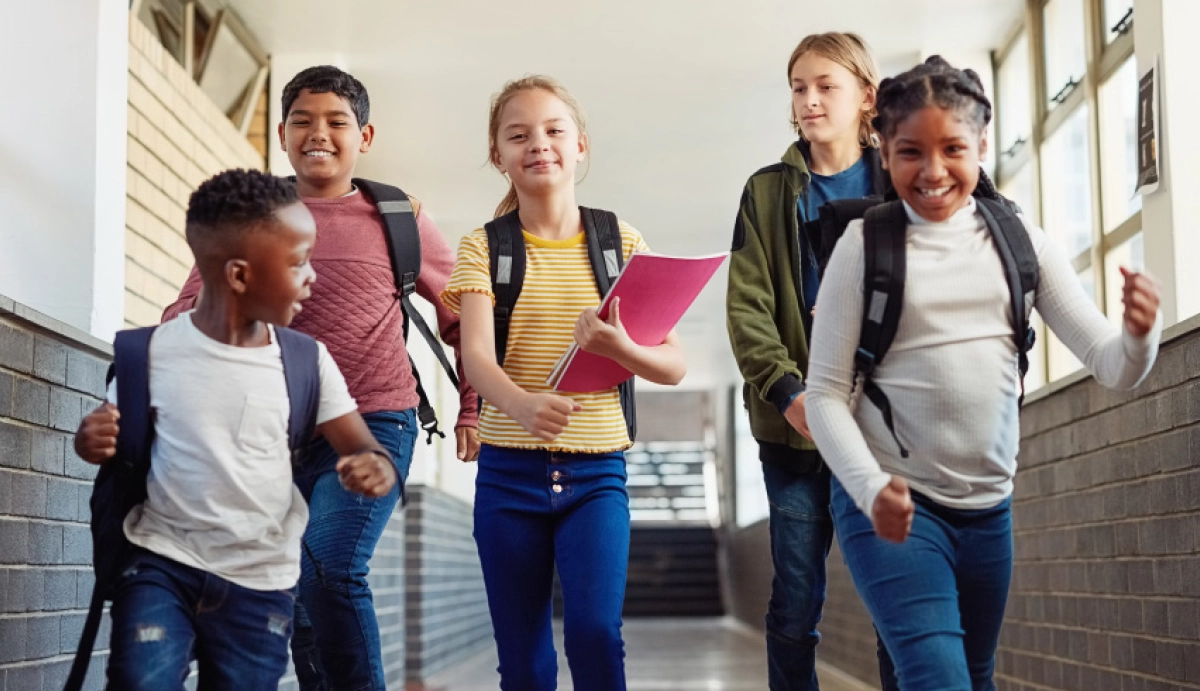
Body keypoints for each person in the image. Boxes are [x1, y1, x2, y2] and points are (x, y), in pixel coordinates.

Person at [805, 56, 1162, 690]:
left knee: (972, 676)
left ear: (982, 146)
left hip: (987, 511)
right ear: (884, 151)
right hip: (894, 503)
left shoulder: (1019, 242)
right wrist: (867, 488)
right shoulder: (864, 247)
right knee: (938, 679)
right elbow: (827, 395)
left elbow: (1112, 365)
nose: (934, 170)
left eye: (953, 149)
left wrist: (1139, 335)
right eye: (911, 151)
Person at [162, 65, 479, 690]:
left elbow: (463, 315)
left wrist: (472, 404)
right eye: (303, 120)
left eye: (337, 121)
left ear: (363, 134)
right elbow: (186, 308)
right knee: (299, 596)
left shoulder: (398, 217)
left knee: (330, 566)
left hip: (373, 423)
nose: (319, 134)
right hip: (266, 433)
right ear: (281, 133)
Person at [74, 169, 396, 690]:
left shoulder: (306, 362)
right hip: (162, 563)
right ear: (241, 276)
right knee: (139, 681)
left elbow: (363, 444)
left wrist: (373, 467)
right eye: (298, 263)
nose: (313, 276)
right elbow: (106, 437)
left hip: (259, 579)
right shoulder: (147, 352)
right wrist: (90, 441)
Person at [440, 75, 686, 691]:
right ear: (499, 156)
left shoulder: (620, 245)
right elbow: (476, 359)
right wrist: (520, 405)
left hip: (597, 475)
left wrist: (619, 347)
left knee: (595, 634)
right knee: (523, 657)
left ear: (581, 146)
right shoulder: (482, 248)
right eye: (518, 135)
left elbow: (673, 365)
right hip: (507, 475)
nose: (538, 144)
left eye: (554, 130)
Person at [725, 31, 897, 690]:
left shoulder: (898, 181)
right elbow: (747, 309)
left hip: (886, 434)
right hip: (793, 435)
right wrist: (789, 393)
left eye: (827, 85)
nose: (810, 99)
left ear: (865, 97)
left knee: (894, 603)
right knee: (796, 607)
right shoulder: (766, 192)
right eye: (799, 87)